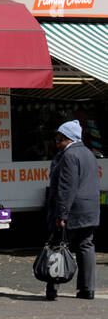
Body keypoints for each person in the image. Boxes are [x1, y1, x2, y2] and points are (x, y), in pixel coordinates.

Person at [45, 120, 100, 300]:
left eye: (59, 138)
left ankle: (53, 288)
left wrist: (62, 214)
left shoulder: (69, 156)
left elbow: (67, 188)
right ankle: (87, 289)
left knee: (57, 245)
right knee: (86, 246)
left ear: (67, 138)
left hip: (73, 209)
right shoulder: (89, 154)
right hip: (90, 209)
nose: (56, 141)